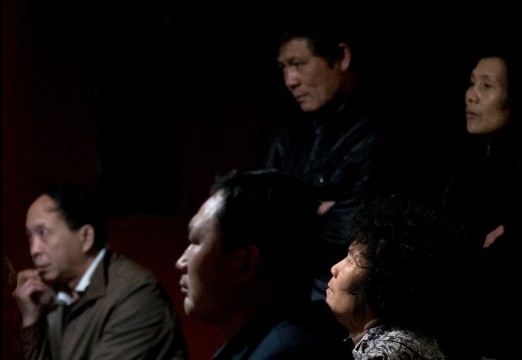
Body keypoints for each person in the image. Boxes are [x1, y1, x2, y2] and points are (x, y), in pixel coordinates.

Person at [260, 13, 416, 301]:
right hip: (290, 294)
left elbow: (349, 232)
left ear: (341, 58)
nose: (290, 80)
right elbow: (261, 222)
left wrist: (296, 216)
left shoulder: (379, 134)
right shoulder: (286, 136)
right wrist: (316, 211)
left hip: (352, 299)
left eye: (299, 64)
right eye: (283, 67)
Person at [437, 42, 522, 359]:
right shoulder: (463, 164)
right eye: (472, 81)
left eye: (487, 86)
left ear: (518, 98)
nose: (471, 95)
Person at [175, 169, 353, 359]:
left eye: (195, 242)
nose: (181, 262)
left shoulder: (285, 353)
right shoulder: (268, 343)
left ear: (244, 263)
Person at [12, 182, 188, 360]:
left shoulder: (136, 293)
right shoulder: (57, 296)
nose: (34, 250)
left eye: (43, 233)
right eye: (30, 236)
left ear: (86, 237)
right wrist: (32, 320)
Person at [326, 193, 469, 360]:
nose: (334, 268)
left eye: (352, 260)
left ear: (383, 282)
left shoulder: (390, 352)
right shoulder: (395, 341)